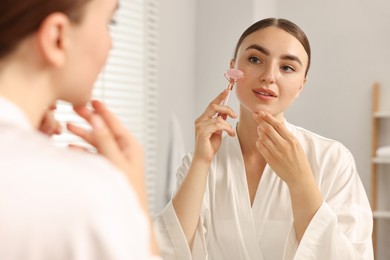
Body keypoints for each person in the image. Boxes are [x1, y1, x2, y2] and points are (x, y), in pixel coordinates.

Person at [154, 18, 373, 259]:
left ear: (301, 85)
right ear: (232, 70)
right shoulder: (200, 161)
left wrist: (300, 182)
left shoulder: (333, 160)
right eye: (255, 59)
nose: (269, 76)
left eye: (287, 67)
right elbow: (167, 252)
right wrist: (201, 162)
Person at [0, 0, 160, 259]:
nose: (111, 44)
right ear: (58, 38)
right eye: (110, 22)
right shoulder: (88, 192)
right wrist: (133, 197)